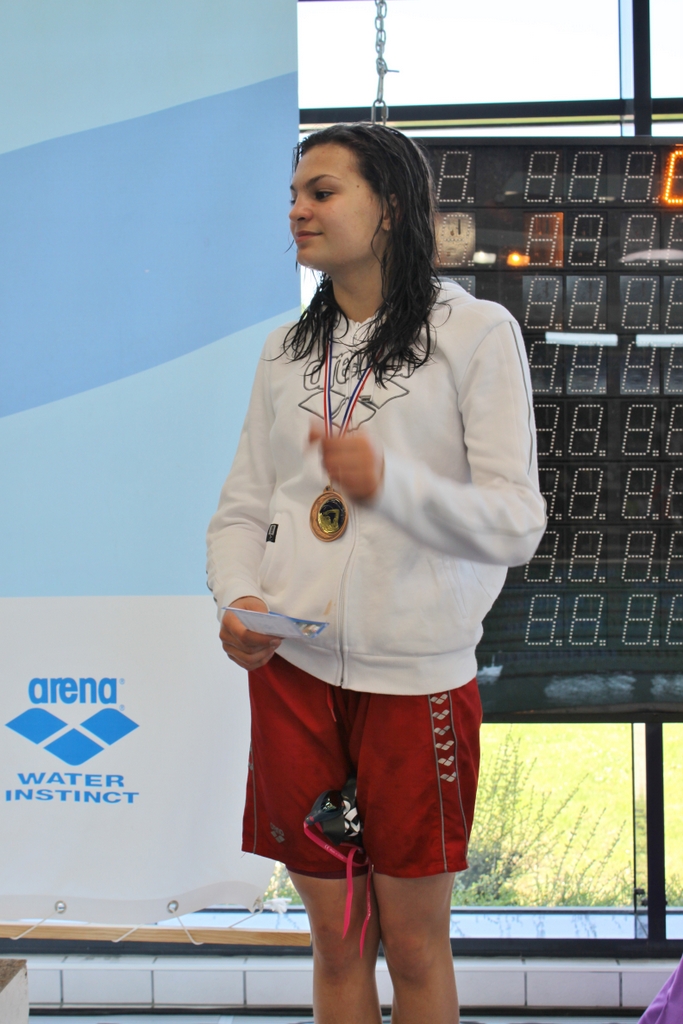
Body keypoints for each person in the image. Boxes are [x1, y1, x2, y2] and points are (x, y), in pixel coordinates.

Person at [207, 123, 545, 1024]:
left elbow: (516, 523)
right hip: (292, 674)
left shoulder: (475, 333)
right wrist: (239, 597)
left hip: (414, 684)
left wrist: (389, 485)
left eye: (321, 192)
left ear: (389, 207)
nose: (297, 211)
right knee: (336, 945)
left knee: (415, 948)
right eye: (293, 195)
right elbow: (242, 509)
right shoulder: (284, 350)